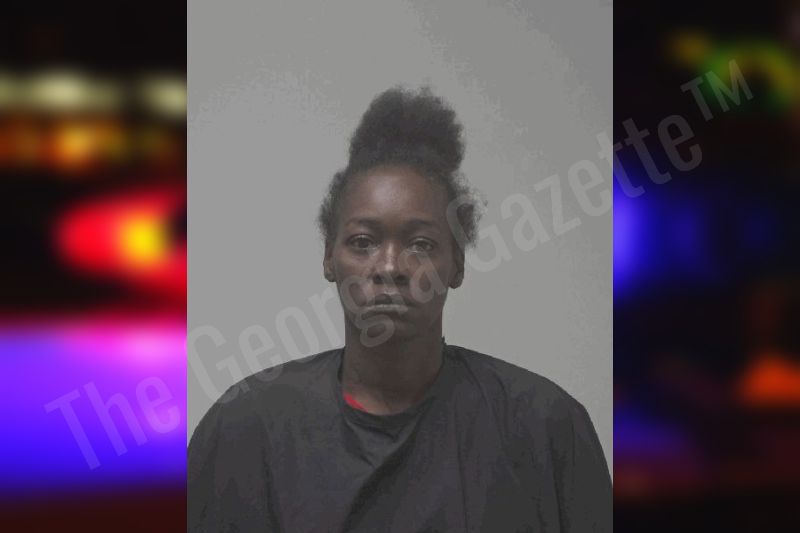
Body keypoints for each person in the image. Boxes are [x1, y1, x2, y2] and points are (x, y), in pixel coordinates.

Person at [188, 86, 612, 532]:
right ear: (329, 258)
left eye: (420, 244)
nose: (389, 267)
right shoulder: (245, 430)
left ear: (457, 264)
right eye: (363, 242)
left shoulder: (544, 429)